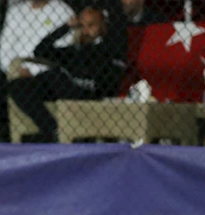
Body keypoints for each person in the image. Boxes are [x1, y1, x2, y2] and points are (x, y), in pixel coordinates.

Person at [8, 6, 126, 142]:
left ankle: (57, 133)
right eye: (82, 26)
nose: (86, 31)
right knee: (17, 85)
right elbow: (40, 50)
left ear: (102, 27)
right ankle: (53, 130)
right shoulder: (74, 50)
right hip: (60, 88)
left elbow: (108, 83)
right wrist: (66, 27)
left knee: (55, 75)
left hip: (86, 92)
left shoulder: (108, 50)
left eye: (91, 25)